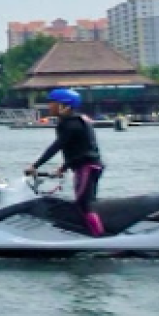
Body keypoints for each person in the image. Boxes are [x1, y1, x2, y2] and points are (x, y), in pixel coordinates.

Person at [27, 88, 104, 236]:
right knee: (84, 203)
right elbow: (79, 147)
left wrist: (34, 166)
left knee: (83, 205)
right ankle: (90, 234)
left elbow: (57, 146)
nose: (49, 106)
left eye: (53, 103)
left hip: (86, 167)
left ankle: (103, 242)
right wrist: (64, 167)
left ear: (65, 106)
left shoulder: (70, 124)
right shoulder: (76, 121)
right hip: (87, 166)